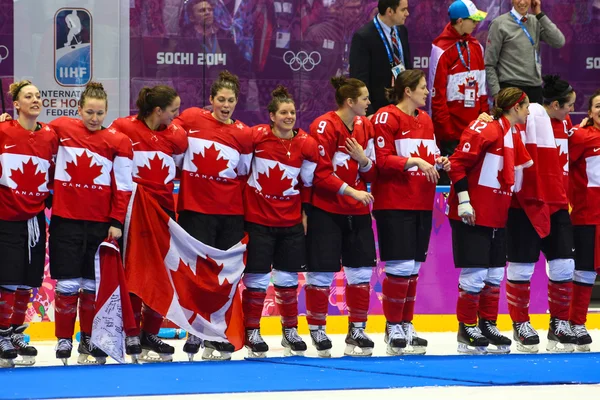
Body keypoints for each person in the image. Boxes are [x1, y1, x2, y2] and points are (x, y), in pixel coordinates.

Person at [241, 85, 373, 358]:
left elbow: (310, 180)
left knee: (288, 277)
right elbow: (241, 168)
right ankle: (252, 331)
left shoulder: (306, 143)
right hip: (260, 220)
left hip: (290, 221)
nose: (289, 116)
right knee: (257, 278)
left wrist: (303, 211)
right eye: (284, 112)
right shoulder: (255, 137)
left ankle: (291, 331)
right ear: (271, 116)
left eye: (292, 112)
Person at [49, 82, 134, 365]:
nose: (94, 118)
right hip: (65, 220)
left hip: (100, 224)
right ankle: (63, 339)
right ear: (79, 109)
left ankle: (87, 338)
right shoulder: (62, 128)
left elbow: (123, 186)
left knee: (91, 285)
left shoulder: (118, 142)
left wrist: (116, 221)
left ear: (107, 111)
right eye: (89, 112)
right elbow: (32, 138)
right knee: (68, 284)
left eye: (100, 113)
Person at [173, 70, 253, 361]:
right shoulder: (192, 119)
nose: (226, 105)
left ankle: (216, 333)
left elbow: (243, 172)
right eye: (221, 99)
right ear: (211, 99)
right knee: (197, 275)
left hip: (230, 215)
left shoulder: (244, 134)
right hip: (195, 212)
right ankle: (196, 331)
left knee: (223, 279)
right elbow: (172, 145)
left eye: (231, 100)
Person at [447, 87, 532, 354]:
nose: (529, 111)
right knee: (475, 273)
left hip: (497, 213)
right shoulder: (488, 130)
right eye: (526, 106)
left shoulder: (511, 133)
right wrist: (464, 201)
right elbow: (457, 163)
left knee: (494, 274)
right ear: (516, 108)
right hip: (473, 212)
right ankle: (466, 327)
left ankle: (487, 324)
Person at [372, 69, 450, 355]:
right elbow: (381, 160)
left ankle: (406, 324)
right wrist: (415, 161)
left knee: (414, 268)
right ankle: (393, 325)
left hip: (422, 200)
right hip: (394, 202)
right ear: (407, 90)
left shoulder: (426, 120)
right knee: (399, 267)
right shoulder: (386, 117)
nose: (427, 92)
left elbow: (429, 155)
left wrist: (438, 160)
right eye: (422, 87)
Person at [110, 85, 187, 363]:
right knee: (134, 271)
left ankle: (149, 333)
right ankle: (131, 332)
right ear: (158, 110)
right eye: (174, 110)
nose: (177, 115)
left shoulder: (177, 136)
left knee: (162, 273)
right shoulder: (122, 128)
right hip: (134, 212)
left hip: (164, 213)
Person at [303, 77, 378, 358]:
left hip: (357, 211)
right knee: (320, 274)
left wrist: (363, 160)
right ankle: (318, 330)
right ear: (350, 101)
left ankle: (357, 330)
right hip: (327, 210)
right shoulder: (324, 126)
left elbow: (371, 174)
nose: (369, 102)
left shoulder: (365, 126)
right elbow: (319, 175)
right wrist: (353, 192)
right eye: (365, 97)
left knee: (360, 273)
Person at [505, 75, 578, 353]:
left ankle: (559, 324)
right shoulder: (526, 119)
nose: (572, 110)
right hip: (524, 203)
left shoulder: (568, 125)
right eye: (569, 105)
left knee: (563, 266)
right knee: (522, 267)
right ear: (555, 104)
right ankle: (520, 324)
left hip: (557, 203)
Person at [0, 81, 58, 367]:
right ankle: (0, 334)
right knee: (7, 279)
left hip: (34, 219)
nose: (35, 99)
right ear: (16, 105)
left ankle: (15, 332)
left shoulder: (50, 135)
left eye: (37, 95)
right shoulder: (2, 131)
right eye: (28, 96)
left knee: (28, 279)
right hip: (6, 216)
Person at [429, 0, 488, 159]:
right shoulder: (441, 49)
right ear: (460, 21)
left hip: (475, 129)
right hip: (451, 133)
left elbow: (482, 88)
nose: (476, 23)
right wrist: (447, 132)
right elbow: (437, 97)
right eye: (473, 20)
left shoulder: (477, 46)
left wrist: (484, 118)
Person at [568, 89, 600, 352]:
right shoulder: (579, 137)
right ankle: (577, 323)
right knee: (585, 271)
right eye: (598, 106)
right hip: (588, 215)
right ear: (590, 112)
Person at [484, 0, 565, 103]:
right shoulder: (499, 24)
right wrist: (496, 93)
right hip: (510, 89)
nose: (522, 2)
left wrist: (539, 14)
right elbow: (489, 64)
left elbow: (559, 41)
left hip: (535, 88)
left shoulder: (536, 21)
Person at [349, 0, 412, 115]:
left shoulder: (402, 31)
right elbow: (359, 80)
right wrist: (369, 114)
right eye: (403, 9)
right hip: (378, 110)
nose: (407, 13)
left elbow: (408, 67)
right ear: (389, 11)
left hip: (403, 107)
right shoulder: (363, 37)